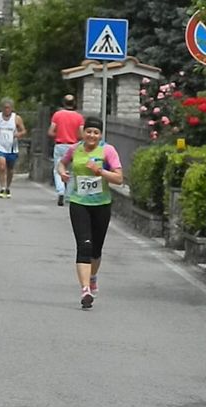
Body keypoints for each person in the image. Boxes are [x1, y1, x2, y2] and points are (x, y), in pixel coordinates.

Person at [57, 116, 123, 309]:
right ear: (83, 132)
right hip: (79, 203)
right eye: (88, 131)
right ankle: (85, 289)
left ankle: (92, 277)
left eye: (96, 132)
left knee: (96, 250)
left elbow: (119, 178)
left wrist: (100, 171)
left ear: (100, 134)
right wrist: (62, 172)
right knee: (84, 246)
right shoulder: (74, 149)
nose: (91, 135)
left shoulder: (108, 151)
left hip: (101, 205)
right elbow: (62, 163)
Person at [48, 94, 84, 206]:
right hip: (73, 146)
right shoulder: (79, 117)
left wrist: (58, 134)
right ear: (74, 103)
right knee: (72, 172)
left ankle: (61, 191)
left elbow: (50, 132)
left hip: (60, 145)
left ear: (63, 103)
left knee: (58, 170)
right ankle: (68, 195)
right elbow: (81, 134)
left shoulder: (57, 115)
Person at [0, 98, 27, 199]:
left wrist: (19, 134)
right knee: (1, 166)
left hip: (12, 147)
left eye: (8, 108)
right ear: (2, 108)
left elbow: (24, 130)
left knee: (10, 169)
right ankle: (2, 187)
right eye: (5, 108)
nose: (6, 110)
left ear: (12, 108)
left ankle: (8, 187)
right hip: (0, 145)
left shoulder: (16, 118)